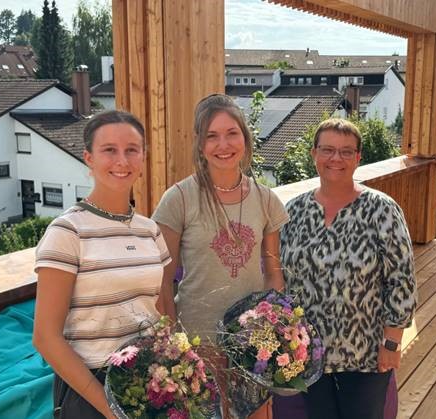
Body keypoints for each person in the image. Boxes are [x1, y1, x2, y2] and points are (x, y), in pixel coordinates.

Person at [152, 93, 288, 417]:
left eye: (231, 133)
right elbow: (163, 279)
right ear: (200, 145)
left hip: (251, 342)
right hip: (198, 341)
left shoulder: (266, 200)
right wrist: (172, 344)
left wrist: (274, 330)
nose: (222, 144)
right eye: (211, 136)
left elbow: (272, 271)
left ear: (245, 137)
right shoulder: (179, 200)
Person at [33, 110, 171, 418]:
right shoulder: (67, 232)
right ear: (88, 158)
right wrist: (111, 410)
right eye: (109, 150)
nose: (122, 160)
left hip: (148, 383)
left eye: (131, 150)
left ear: (143, 157)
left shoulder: (150, 230)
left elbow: (155, 311)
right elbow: (45, 337)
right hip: (90, 389)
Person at [279, 118, 416, 419]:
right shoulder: (294, 211)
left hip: (365, 355)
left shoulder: (382, 210)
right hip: (309, 354)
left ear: (358, 158)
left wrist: (392, 342)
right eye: (327, 149)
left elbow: (401, 281)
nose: (335, 159)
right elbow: (281, 277)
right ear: (313, 154)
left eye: (345, 151)